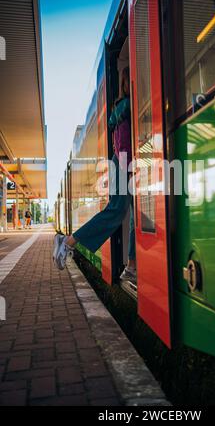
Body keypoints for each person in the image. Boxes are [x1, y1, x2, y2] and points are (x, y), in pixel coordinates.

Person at [53, 67, 136, 282]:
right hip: (124, 164)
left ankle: (132, 266)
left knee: (136, 214)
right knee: (116, 210)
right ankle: (69, 241)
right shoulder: (128, 105)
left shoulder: (119, 107)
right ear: (129, 83)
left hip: (124, 163)